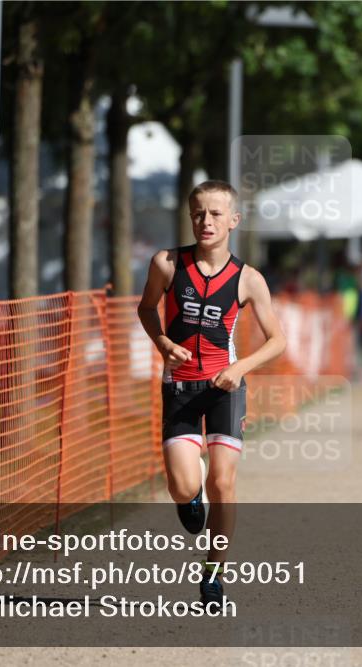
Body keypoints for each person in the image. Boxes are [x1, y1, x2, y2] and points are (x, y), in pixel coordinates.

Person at [137, 180, 286, 609]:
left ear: (233, 221)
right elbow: (147, 308)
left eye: (217, 214)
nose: (207, 222)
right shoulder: (166, 264)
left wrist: (239, 368)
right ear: (190, 217)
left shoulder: (248, 279)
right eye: (199, 213)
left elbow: (277, 340)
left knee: (224, 481)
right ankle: (189, 497)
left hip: (226, 388)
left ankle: (214, 575)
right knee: (183, 486)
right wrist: (163, 343)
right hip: (180, 387)